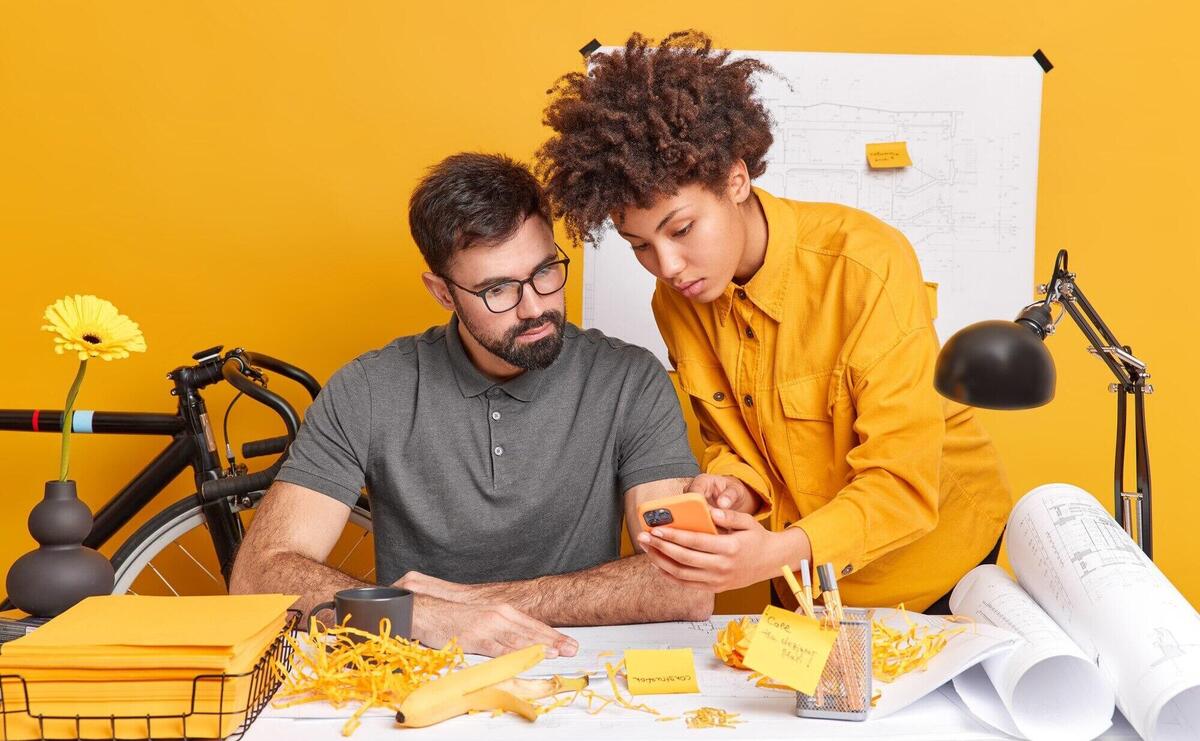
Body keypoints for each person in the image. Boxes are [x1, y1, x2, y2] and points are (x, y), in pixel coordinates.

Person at [535, 31, 1012, 613]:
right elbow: (734, 434)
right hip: (799, 578)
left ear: (736, 179)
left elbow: (904, 484)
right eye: (640, 245)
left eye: (682, 229)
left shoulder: (867, 266)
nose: (668, 266)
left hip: (936, 569)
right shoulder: (677, 298)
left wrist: (778, 553)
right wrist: (733, 485)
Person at [231, 152, 712, 655]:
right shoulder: (368, 389)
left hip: (581, 667)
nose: (534, 307)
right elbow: (258, 575)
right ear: (442, 292)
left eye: (545, 271)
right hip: (418, 669)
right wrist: (416, 616)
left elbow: (686, 582)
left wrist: (469, 604)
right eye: (496, 289)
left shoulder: (630, 379)